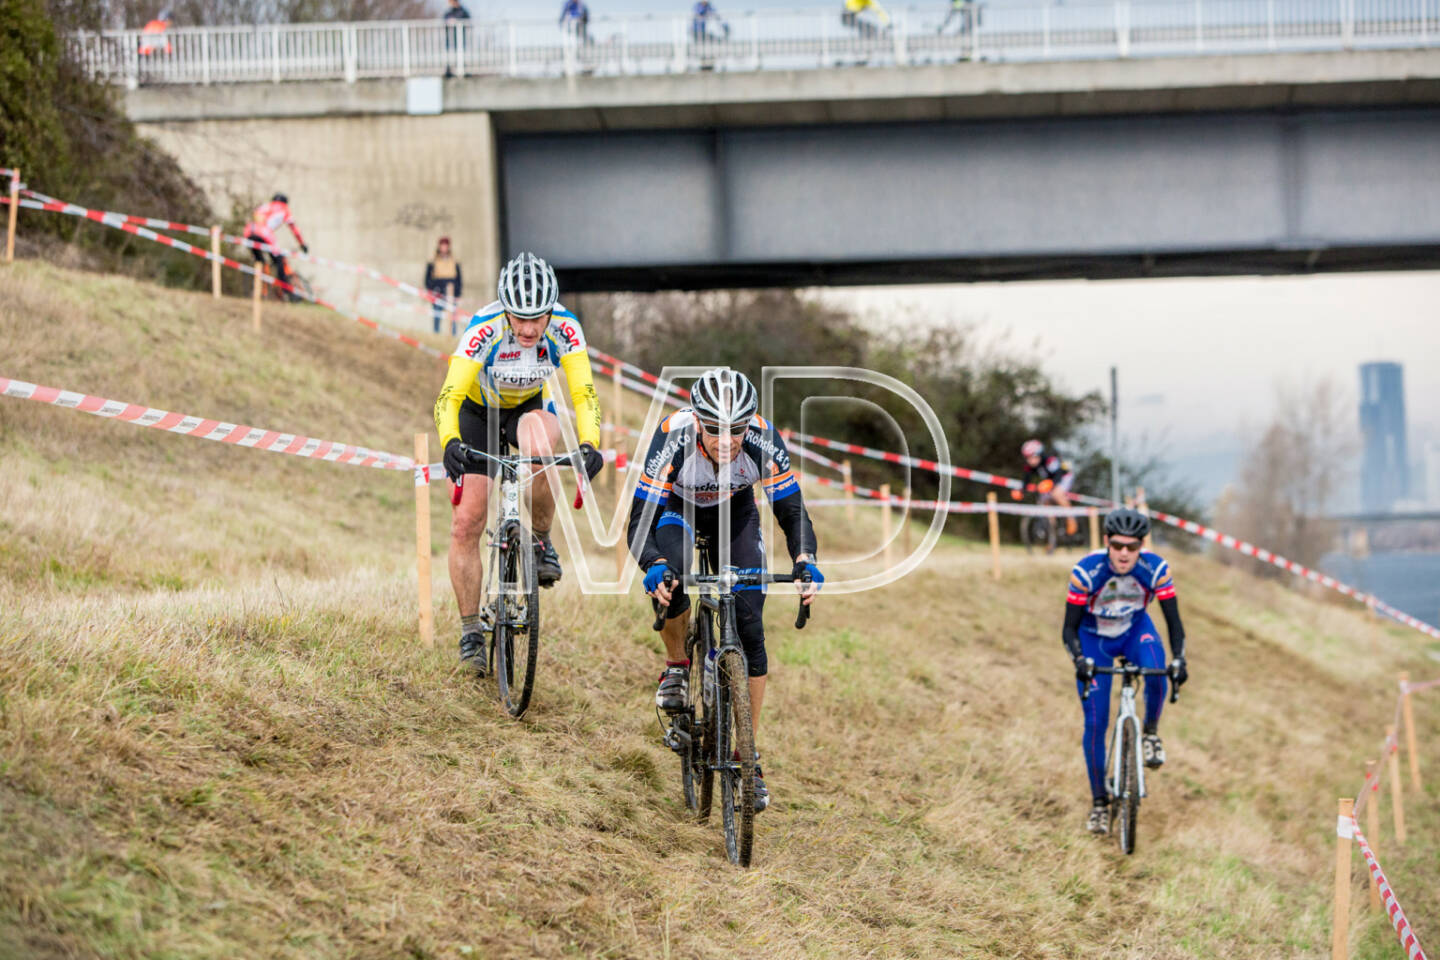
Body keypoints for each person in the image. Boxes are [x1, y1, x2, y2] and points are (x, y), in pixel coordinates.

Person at [628, 368, 822, 814]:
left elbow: (792, 511)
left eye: (736, 429)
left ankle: (746, 756)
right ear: (697, 420)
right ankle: (677, 664)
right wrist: (653, 565)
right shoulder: (671, 437)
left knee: (751, 627)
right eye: (715, 429)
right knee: (673, 576)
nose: (727, 439)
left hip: (735, 513)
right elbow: (639, 521)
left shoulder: (762, 438)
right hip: (678, 511)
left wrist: (805, 558)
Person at [434, 252, 605, 674]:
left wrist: (590, 443)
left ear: (551, 311)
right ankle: (471, 630)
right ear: (505, 310)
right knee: (467, 521)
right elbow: (447, 398)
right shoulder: (484, 329)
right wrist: (450, 441)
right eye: (519, 318)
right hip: (477, 414)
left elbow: (583, 394)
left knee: (541, 445)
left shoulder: (566, 328)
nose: (529, 329)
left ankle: (542, 540)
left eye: (538, 318)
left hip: (527, 407)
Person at [1064, 508, 1188, 836]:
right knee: (1095, 722)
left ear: (1141, 547)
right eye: (1117, 545)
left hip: (1134, 630)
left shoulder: (1156, 570)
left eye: (1131, 547)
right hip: (1094, 640)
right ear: (1107, 542)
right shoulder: (1086, 573)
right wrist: (1079, 659)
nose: (1123, 553)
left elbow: (1174, 622)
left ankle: (1149, 732)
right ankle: (1100, 804)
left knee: (1156, 668)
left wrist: (1181, 660)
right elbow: (1069, 630)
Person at [242, 193, 308, 302]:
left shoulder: (265, 206)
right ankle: (286, 291)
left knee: (260, 261)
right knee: (279, 260)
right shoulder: (284, 210)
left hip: (249, 232)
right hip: (265, 234)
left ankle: (261, 290)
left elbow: (255, 217)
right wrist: (302, 244)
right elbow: (294, 229)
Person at [1016, 438, 1078, 538]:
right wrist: (1021, 491)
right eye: (1027, 458)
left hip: (1064, 477)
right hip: (1051, 481)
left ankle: (1071, 519)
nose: (1030, 460)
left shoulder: (1049, 460)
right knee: (1044, 502)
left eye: (1032, 457)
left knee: (1056, 493)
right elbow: (1026, 480)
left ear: (1039, 454)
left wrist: (1052, 484)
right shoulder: (1030, 466)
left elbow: (1058, 475)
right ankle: (1052, 534)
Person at [424, 237, 463, 335]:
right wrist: (432, 290)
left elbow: (458, 279)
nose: (444, 248)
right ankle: (436, 334)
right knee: (437, 315)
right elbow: (428, 278)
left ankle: (453, 336)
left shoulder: (454, 261)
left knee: (452, 317)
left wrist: (457, 294)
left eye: (446, 246)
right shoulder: (433, 261)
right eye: (442, 245)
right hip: (438, 292)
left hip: (451, 293)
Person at [443, 0, 471, 77]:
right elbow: (445, 19)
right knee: (449, 53)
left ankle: (463, 70)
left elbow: (467, 20)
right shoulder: (449, 12)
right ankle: (449, 70)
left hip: (460, 37)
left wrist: (457, 21)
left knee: (461, 53)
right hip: (450, 37)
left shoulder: (463, 11)